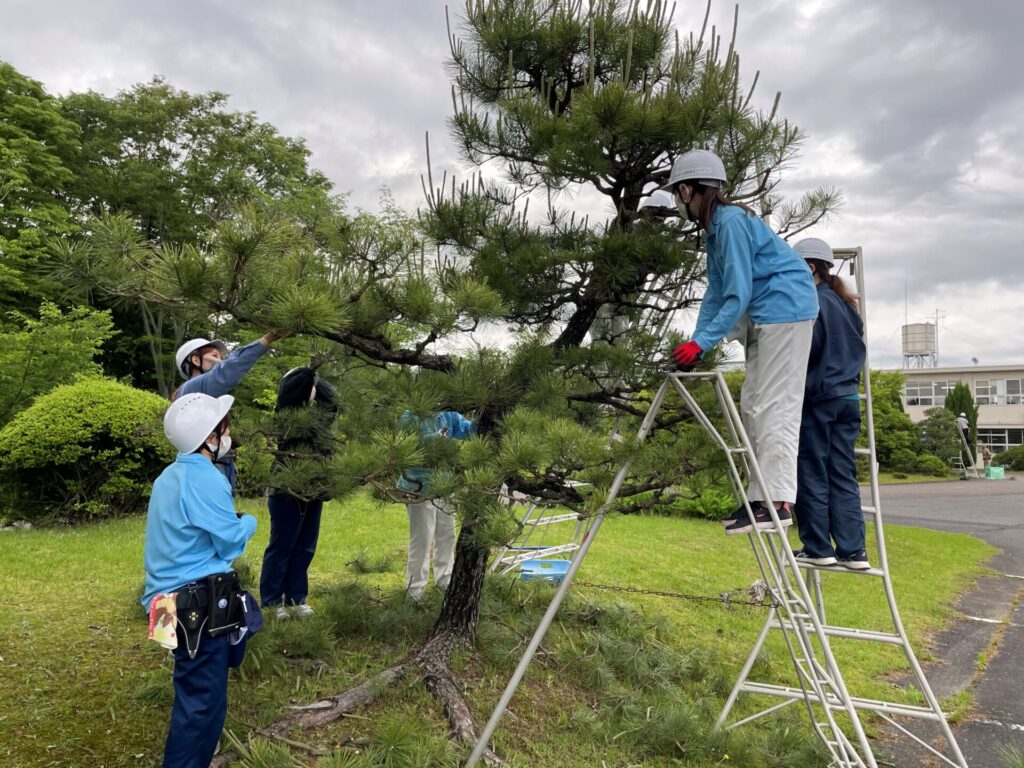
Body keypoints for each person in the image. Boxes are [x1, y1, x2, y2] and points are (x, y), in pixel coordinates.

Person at [663, 149, 819, 535]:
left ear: (687, 190)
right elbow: (716, 294)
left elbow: (737, 294)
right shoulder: (715, 231)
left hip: (786, 310)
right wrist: (697, 342)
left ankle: (778, 503)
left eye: (675, 194)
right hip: (767, 315)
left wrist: (702, 345)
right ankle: (758, 499)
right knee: (752, 404)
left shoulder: (730, 223)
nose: (676, 202)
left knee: (774, 405)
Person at [142, 392, 258, 768]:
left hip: (163, 604)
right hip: (198, 605)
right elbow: (231, 541)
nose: (228, 433)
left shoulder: (167, 477)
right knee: (202, 701)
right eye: (223, 426)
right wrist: (248, 522)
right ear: (209, 436)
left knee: (192, 687)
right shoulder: (205, 478)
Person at [790, 237, 870, 569]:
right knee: (842, 473)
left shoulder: (813, 305)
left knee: (810, 471)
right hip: (848, 399)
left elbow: (804, 354)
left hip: (819, 399)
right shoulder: (846, 306)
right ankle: (854, 551)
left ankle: (818, 546)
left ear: (810, 268)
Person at [259, 367, 340, 619]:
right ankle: (272, 602)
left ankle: (296, 598)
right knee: (282, 546)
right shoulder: (287, 416)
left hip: (313, 488)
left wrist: (317, 378)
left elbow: (333, 401)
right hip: (286, 486)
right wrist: (307, 374)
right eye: (311, 385)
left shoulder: (318, 423)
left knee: (305, 546)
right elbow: (291, 391)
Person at [172, 330, 288, 489]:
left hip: (219, 459)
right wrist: (264, 341)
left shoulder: (204, 394)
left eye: (221, 357)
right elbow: (226, 371)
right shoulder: (192, 387)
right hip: (208, 460)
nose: (221, 362)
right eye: (214, 356)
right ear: (195, 359)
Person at [397, 408, 476, 600]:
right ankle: (414, 592)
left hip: (445, 485)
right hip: (418, 486)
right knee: (422, 539)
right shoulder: (411, 416)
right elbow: (406, 448)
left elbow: (468, 431)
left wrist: (481, 417)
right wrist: (435, 442)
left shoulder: (449, 414)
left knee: (447, 535)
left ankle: (445, 581)